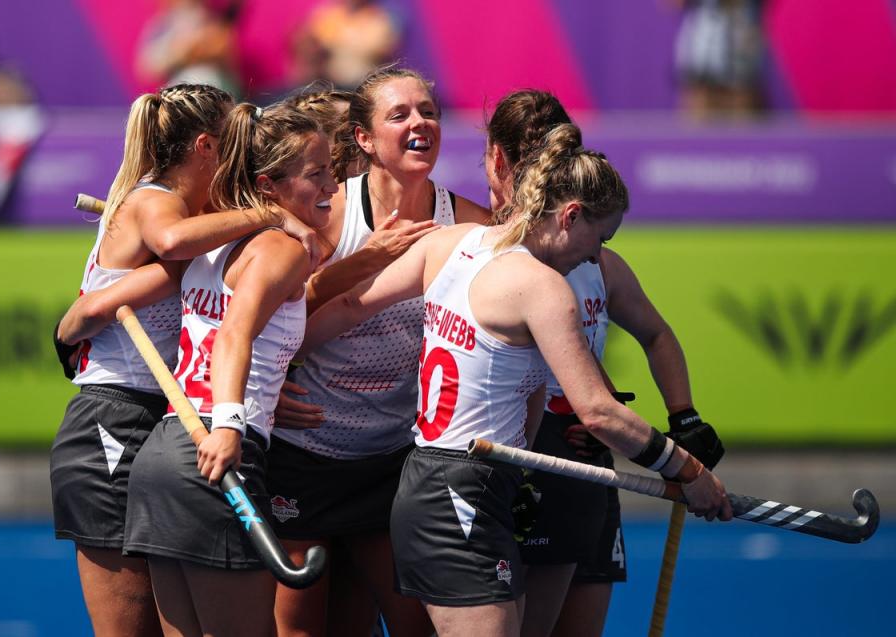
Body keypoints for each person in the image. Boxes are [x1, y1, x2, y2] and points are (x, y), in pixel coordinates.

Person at [299, 123, 732, 637]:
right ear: (570, 216)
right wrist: (687, 472)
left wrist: (283, 359)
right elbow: (597, 411)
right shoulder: (544, 288)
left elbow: (350, 306)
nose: (596, 257)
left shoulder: (451, 242)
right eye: (600, 238)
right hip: (460, 490)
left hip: (440, 481)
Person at [57, 101, 339, 635]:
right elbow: (232, 334)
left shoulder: (204, 247)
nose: (333, 184)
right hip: (206, 444)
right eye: (318, 173)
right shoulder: (262, 244)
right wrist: (232, 420)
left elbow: (118, 301)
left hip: (163, 447)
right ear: (267, 183)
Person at [483, 89, 724, 637]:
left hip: (591, 461)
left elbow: (656, 333)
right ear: (501, 161)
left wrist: (683, 415)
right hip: (529, 462)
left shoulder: (599, 261)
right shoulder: (482, 250)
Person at [268, 66, 491, 637]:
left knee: (412, 624)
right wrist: (265, 390)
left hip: (394, 458)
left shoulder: (472, 225)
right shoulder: (327, 214)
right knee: (298, 626)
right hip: (302, 449)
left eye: (429, 111)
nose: (420, 123)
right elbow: (259, 314)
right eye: (400, 115)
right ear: (364, 140)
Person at [136, 0, 243, 98]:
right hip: (181, 96)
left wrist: (213, 47)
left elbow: (227, 57)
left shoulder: (215, 21)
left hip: (217, 92)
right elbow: (146, 67)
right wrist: (180, 52)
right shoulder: (163, 25)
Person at [290, 0, 399, 90]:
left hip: (364, 84)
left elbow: (382, 50)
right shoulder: (328, 15)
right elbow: (306, 42)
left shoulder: (379, 18)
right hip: (329, 85)